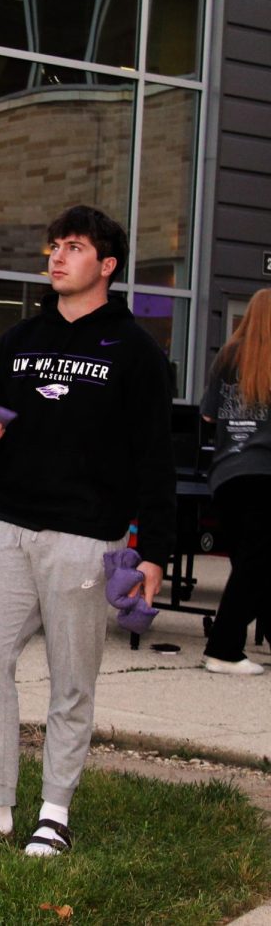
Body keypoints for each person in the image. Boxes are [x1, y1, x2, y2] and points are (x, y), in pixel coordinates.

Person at [0, 205, 175, 856]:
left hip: (86, 538)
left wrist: (153, 552)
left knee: (72, 681)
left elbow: (157, 461)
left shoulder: (137, 352)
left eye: (73, 247)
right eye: (54, 247)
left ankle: (55, 812)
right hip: (7, 527)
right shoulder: (17, 341)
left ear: (107, 265)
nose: (58, 257)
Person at [198, 288, 271, 675]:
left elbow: (208, 417)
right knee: (255, 566)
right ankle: (223, 649)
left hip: (226, 475)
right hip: (265, 473)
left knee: (254, 563)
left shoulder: (226, 358)